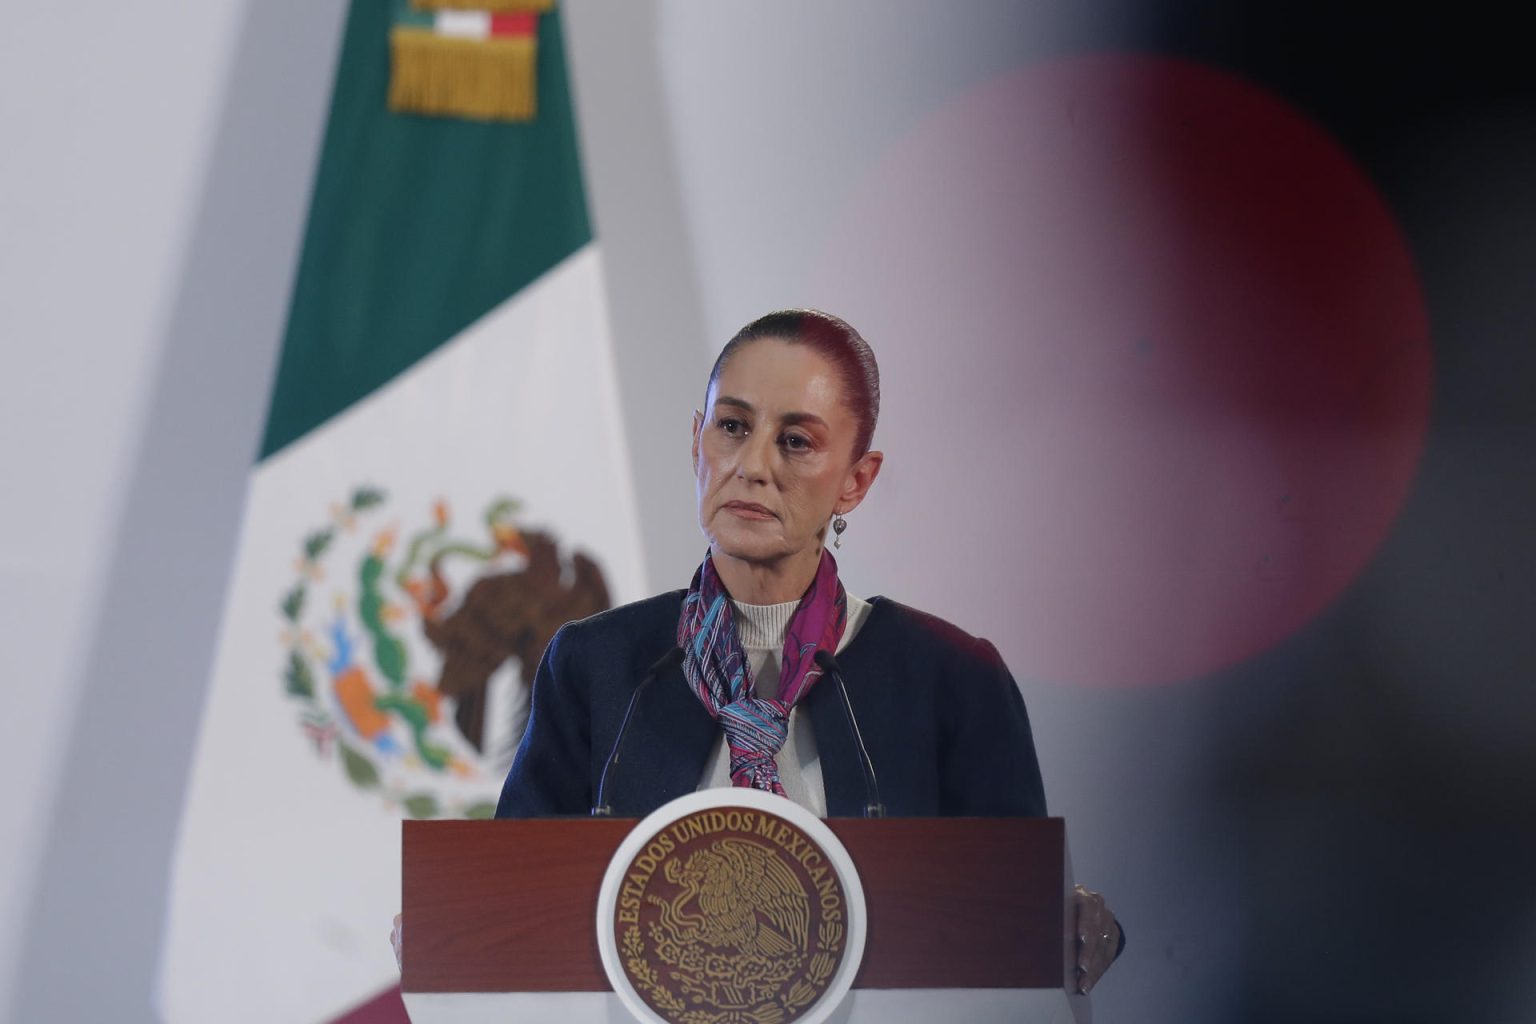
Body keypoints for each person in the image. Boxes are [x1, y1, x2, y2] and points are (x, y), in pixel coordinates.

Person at [395, 309, 1123, 992]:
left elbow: (1010, 934)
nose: (753, 465)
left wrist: (1075, 929)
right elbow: (521, 905)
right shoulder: (595, 664)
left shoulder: (952, 677)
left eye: (797, 441)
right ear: (695, 443)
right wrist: (459, 927)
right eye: (733, 427)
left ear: (856, 481)